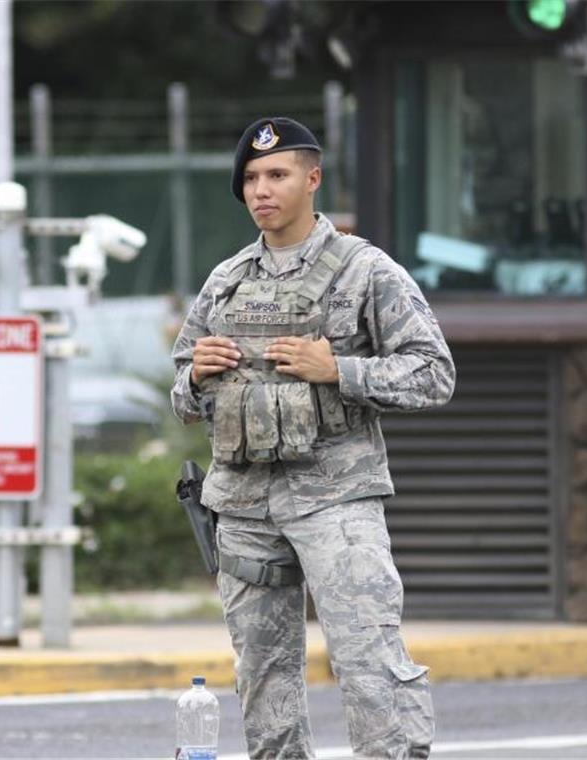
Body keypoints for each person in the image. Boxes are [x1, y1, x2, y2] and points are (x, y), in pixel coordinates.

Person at [170, 116, 455, 759]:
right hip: (243, 505)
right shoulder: (228, 280)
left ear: (313, 178)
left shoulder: (365, 271)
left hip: (337, 499)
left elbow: (434, 374)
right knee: (263, 679)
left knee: (369, 663)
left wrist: (340, 370)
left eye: (277, 174)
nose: (261, 189)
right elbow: (183, 394)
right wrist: (197, 376)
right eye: (250, 178)